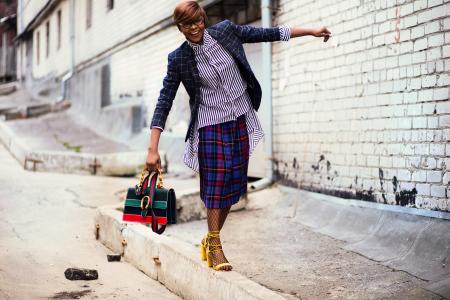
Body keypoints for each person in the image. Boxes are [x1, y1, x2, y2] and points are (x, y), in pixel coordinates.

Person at [146, 1, 331, 271]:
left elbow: (268, 33)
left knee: (233, 186)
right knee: (216, 183)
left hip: (239, 119)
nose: (194, 28)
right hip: (209, 125)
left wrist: (312, 31)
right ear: (180, 28)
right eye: (187, 25)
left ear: (203, 18)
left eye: (197, 21)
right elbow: (165, 101)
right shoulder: (179, 59)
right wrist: (153, 148)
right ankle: (216, 245)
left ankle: (209, 238)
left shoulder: (226, 31)